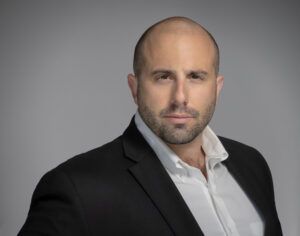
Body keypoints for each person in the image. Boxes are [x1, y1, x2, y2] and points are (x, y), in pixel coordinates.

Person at [18, 16, 282, 236]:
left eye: (195, 76)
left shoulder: (252, 165)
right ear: (135, 88)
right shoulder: (76, 188)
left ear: (217, 87)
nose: (180, 97)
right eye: (163, 76)